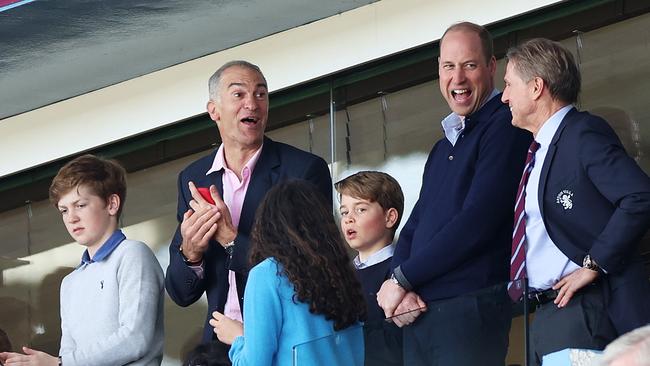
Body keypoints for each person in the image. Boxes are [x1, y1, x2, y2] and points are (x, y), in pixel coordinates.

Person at [376, 21, 532, 366]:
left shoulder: (505, 127)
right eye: (449, 66)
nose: (457, 79)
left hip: (469, 309)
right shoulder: (442, 146)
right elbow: (414, 225)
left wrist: (402, 278)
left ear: (492, 67)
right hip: (420, 312)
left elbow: (478, 220)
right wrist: (398, 285)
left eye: (469, 65)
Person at [501, 37, 650, 365]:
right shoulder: (538, 151)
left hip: (582, 308)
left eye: (509, 85)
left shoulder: (581, 133)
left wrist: (595, 263)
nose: (505, 96)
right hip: (547, 311)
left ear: (537, 86)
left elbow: (639, 195)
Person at [164, 60, 332, 345]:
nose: (252, 104)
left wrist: (231, 240)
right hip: (219, 345)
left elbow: (309, 269)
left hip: (284, 340)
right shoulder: (193, 178)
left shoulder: (303, 171)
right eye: (239, 94)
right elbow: (181, 293)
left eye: (261, 94)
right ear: (214, 110)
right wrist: (190, 254)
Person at [0, 154, 164, 366]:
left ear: (112, 204)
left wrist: (58, 363)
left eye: (80, 205)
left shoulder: (132, 254)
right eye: (64, 210)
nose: (71, 218)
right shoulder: (70, 283)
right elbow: (68, 354)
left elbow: (135, 339)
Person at [209, 180, 366, 365]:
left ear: (267, 227)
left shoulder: (266, 274)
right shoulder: (339, 272)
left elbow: (253, 363)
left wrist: (237, 338)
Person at [336, 171, 407, 366]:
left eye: (360, 209)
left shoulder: (401, 272)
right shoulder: (340, 275)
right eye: (344, 212)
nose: (349, 219)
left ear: (390, 217)